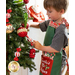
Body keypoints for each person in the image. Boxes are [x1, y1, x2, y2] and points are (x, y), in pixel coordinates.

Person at [29, 0, 69, 75]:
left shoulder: (60, 28)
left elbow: (55, 49)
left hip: (55, 61)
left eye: (49, 11)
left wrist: (40, 47)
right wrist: (30, 24)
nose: (47, 13)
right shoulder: (52, 21)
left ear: (61, 11)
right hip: (47, 58)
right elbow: (40, 25)